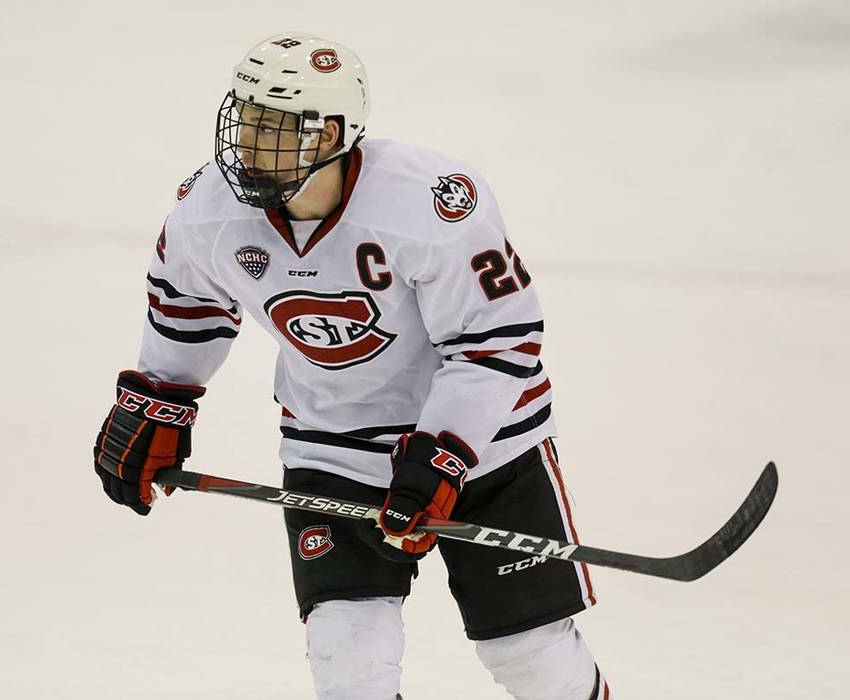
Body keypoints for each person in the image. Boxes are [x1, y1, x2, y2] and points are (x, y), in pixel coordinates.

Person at [93, 33, 610, 700]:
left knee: (528, 654)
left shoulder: (429, 203)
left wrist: (442, 457)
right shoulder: (208, 213)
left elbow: (497, 341)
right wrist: (157, 401)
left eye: (275, 126)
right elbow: (186, 304)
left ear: (332, 132)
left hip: (487, 451)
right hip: (335, 445)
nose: (249, 141)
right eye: (245, 118)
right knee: (348, 659)